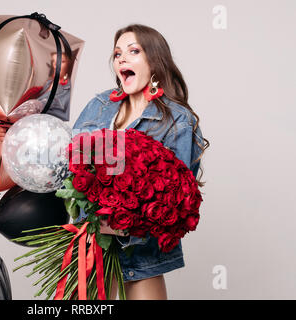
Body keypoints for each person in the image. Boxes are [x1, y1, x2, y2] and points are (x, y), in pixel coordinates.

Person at [73, 24, 210, 300]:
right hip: (91, 253)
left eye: (133, 51)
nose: (121, 59)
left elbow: (176, 197)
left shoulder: (178, 120)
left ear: (154, 61)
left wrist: (121, 221)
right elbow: (70, 168)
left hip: (141, 262)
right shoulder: (98, 106)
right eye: (117, 54)